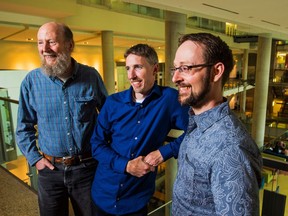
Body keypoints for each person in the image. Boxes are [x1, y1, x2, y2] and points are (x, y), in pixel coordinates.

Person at [16, 22, 108, 216]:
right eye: (40, 42)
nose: (44, 49)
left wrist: (105, 155)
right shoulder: (31, 82)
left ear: (70, 45)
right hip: (49, 172)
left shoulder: (90, 76)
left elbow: (108, 120)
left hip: (87, 170)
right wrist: (36, 159)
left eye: (51, 42)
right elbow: (23, 128)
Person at [90, 43, 189, 215]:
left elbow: (196, 131)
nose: (131, 75)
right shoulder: (113, 103)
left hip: (135, 201)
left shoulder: (169, 100)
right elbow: (96, 145)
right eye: (128, 68)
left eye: (138, 67)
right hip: (102, 195)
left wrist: (163, 152)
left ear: (154, 69)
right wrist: (126, 165)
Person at [171, 33, 263, 216]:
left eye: (185, 68)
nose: (175, 78)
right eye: (175, 69)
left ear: (216, 72)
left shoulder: (231, 149)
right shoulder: (197, 122)